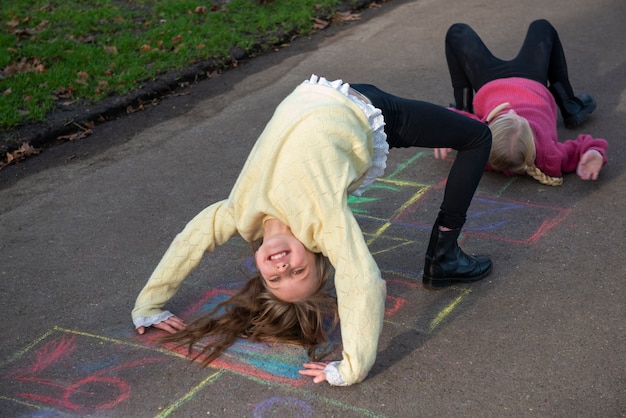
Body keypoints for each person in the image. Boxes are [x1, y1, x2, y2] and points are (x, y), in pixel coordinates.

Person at [131, 75, 493, 386]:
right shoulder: (323, 221)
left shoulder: (240, 214)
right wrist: (352, 367)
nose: (282, 266)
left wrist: (150, 304)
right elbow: (361, 281)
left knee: (455, 129)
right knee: (477, 137)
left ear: (259, 266)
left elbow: (192, 241)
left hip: (327, 96)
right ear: (318, 252)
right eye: (297, 271)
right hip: (374, 114)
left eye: (275, 278)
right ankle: (443, 256)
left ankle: (452, 124)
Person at [436, 19, 608, 186]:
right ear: (533, 142)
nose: (512, 110)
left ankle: (463, 103)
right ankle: (570, 103)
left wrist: (444, 132)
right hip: (530, 79)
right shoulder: (549, 156)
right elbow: (581, 147)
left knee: (457, 31)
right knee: (542, 26)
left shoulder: (480, 146)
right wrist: (595, 153)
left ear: (488, 131)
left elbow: (451, 118)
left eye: (505, 116)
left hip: (489, 81)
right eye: (520, 118)